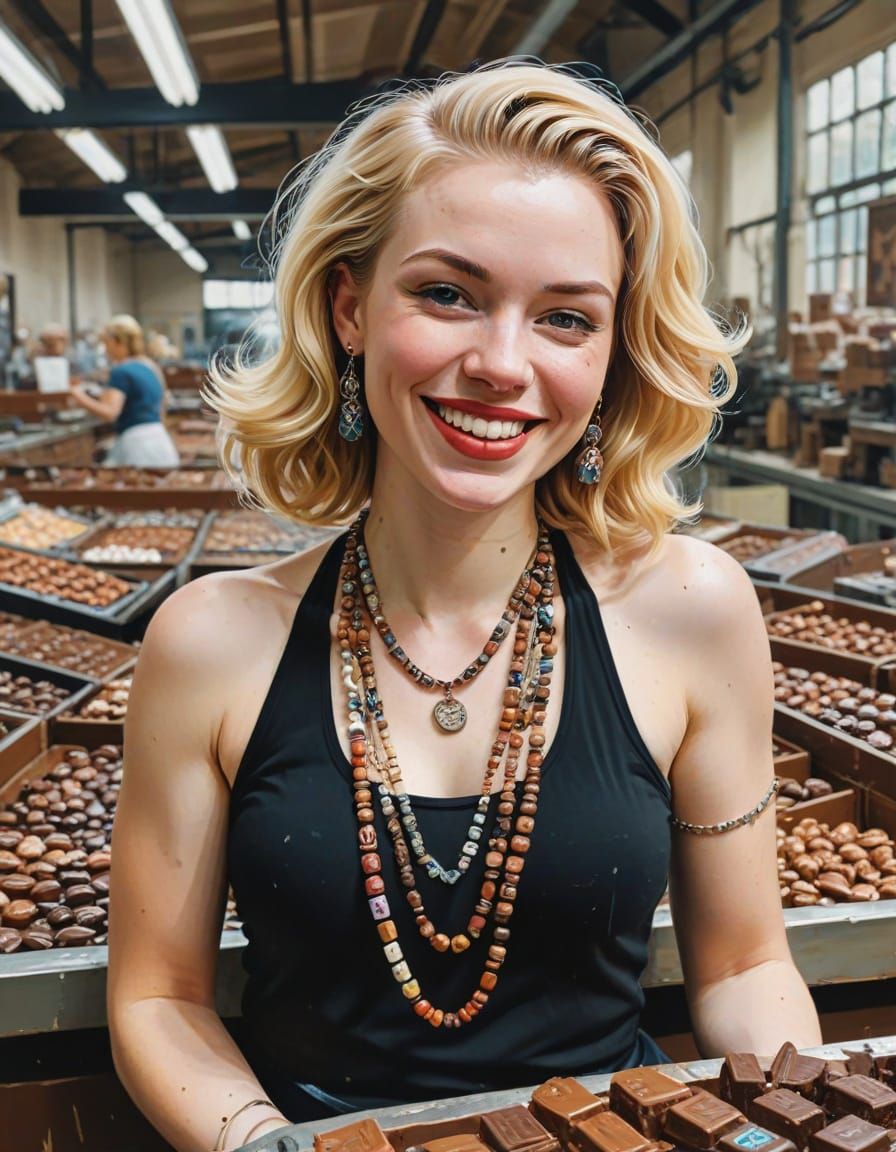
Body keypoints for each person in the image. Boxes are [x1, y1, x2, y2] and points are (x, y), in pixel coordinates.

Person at [108, 62, 821, 1152]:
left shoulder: (690, 610)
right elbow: (157, 998)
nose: (500, 363)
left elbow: (742, 964)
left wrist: (784, 1127)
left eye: (566, 319)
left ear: (612, 350)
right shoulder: (210, 643)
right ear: (349, 307)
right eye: (446, 294)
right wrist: (267, 1145)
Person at [68, 314, 180, 467]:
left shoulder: (120, 371)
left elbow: (110, 413)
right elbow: (162, 405)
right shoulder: (150, 367)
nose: (106, 349)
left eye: (106, 343)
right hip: (160, 440)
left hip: (138, 448)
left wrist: (78, 395)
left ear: (116, 341)